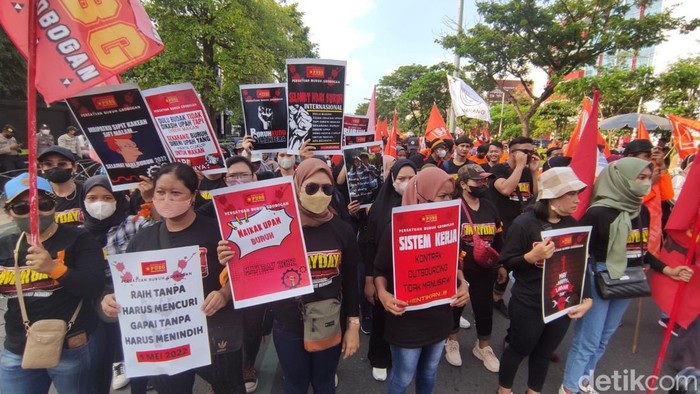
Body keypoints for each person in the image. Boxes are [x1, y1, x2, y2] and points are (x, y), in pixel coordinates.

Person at [102, 163, 245, 393]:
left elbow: (243, 275)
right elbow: (130, 286)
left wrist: (224, 294)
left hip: (216, 334)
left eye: (175, 193)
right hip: (166, 340)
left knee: (230, 388)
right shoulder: (142, 239)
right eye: (161, 192)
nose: (167, 199)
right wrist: (112, 299)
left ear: (192, 196)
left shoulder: (217, 231)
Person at [222, 158, 360, 393]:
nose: (319, 194)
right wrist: (230, 255)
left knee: (324, 383)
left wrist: (353, 326)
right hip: (288, 324)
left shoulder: (342, 230)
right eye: (311, 187)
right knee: (295, 385)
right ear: (297, 186)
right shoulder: (279, 226)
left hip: (328, 322)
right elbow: (253, 264)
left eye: (327, 189)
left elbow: (350, 280)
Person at [560, 158, 694, 394]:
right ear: (621, 180)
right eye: (640, 178)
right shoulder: (598, 213)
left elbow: (641, 251)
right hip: (598, 277)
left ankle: (584, 381)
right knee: (588, 340)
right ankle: (570, 387)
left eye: (647, 178)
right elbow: (580, 254)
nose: (645, 183)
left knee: (604, 338)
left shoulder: (640, 209)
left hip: (628, 280)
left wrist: (667, 269)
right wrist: (583, 293)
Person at [0, 173, 106, 392]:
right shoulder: (5, 245)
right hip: (18, 348)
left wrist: (54, 269)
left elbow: (93, 287)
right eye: (21, 208)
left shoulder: (79, 238)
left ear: (54, 205)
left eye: (43, 204)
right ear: (9, 213)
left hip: (71, 345)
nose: (34, 213)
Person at [374, 167, 470, 394]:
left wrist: (464, 283)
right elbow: (379, 270)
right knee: (403, 377)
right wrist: (383, 294)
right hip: (407, 321)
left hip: (439, 318)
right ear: (421, 195)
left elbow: (454, 264)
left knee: (429, 373)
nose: (448, 201)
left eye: (451, 196)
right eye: (442, 196)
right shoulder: (395, 230)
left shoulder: (450, 225)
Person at [497, 167, 592, 394]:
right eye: (570, 194)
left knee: (544, 352)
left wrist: (586, 297)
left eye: (578, 194)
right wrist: (530, 257)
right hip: (529, 302)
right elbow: (507, 262)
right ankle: (504, 390)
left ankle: (534, 390)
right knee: (518, 350)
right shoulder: (524, 223)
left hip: (561, 303)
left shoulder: (572, 224)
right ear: (552, 195)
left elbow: (581, 263)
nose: (576, 200)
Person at [360, 159, 417, 381]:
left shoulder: (424, 203)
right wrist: (369, 280)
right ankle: (379, 358)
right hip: (384, 275)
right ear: (392, 179)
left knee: (408, 318)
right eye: (402, 178)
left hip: (413, 274)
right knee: (383, 318)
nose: (407, 183)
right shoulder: (380, 208)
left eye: (412, 178)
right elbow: (370, 245)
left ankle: (402, 357)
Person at [445, 164, 503, 372]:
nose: (482, 184)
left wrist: (501, 264)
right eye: (477, 181)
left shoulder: (490, 206)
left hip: (486, 270)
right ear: (463, 184)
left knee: (484, 308)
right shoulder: (453, 207)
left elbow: (499, 238)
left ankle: (483, 347)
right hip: (460, 270)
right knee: (456, 306)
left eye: (484, 180)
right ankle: (452, 341)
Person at [80, 175, 133, 392]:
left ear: (118, 200)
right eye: (92, 198)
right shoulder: (77, 233)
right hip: (94, 290)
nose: (99, 204)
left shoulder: (132, 225)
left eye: (107, 197)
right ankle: (113, 361)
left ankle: (126, 360)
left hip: (127, 288)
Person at [488, 136, 540, 317]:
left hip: (522, 228)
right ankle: (486, 297)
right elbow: (505, 189)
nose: (529, 156)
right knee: (496, 266)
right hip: (501, 227)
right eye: (525, 152)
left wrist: (533, 172)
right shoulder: (498, 169)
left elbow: (537, 195)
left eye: (531, 151)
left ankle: (497, 298)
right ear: (513, 153)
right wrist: (518, 166)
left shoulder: (526, 171)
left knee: (511, 265)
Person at [38, 146, 84, 226]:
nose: (55, 167)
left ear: (74, 167)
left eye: (62, 164)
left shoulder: (87, 192)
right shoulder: (39, 197)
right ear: (42, 168)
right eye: (48, 164)